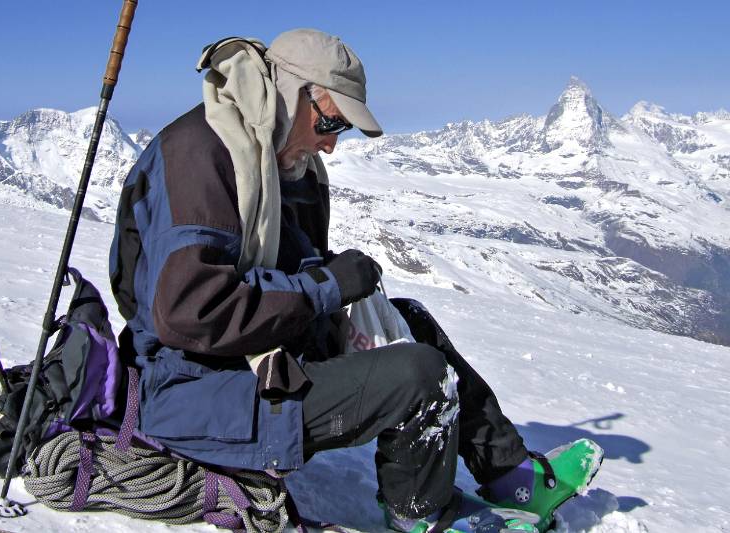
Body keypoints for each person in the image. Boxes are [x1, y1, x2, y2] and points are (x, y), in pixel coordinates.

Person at [109, 29, 602, 533]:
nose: (330, 143)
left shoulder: (275, 159)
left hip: (248, 358)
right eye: (331, 121)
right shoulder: (202, 155)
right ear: (291, 93)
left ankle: (510, 476)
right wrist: (326, 286)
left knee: (410, 322)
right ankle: (425, 516)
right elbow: (189, 311)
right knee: (420, 375)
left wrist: (337, 283)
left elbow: (285, 269)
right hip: (192, 390)